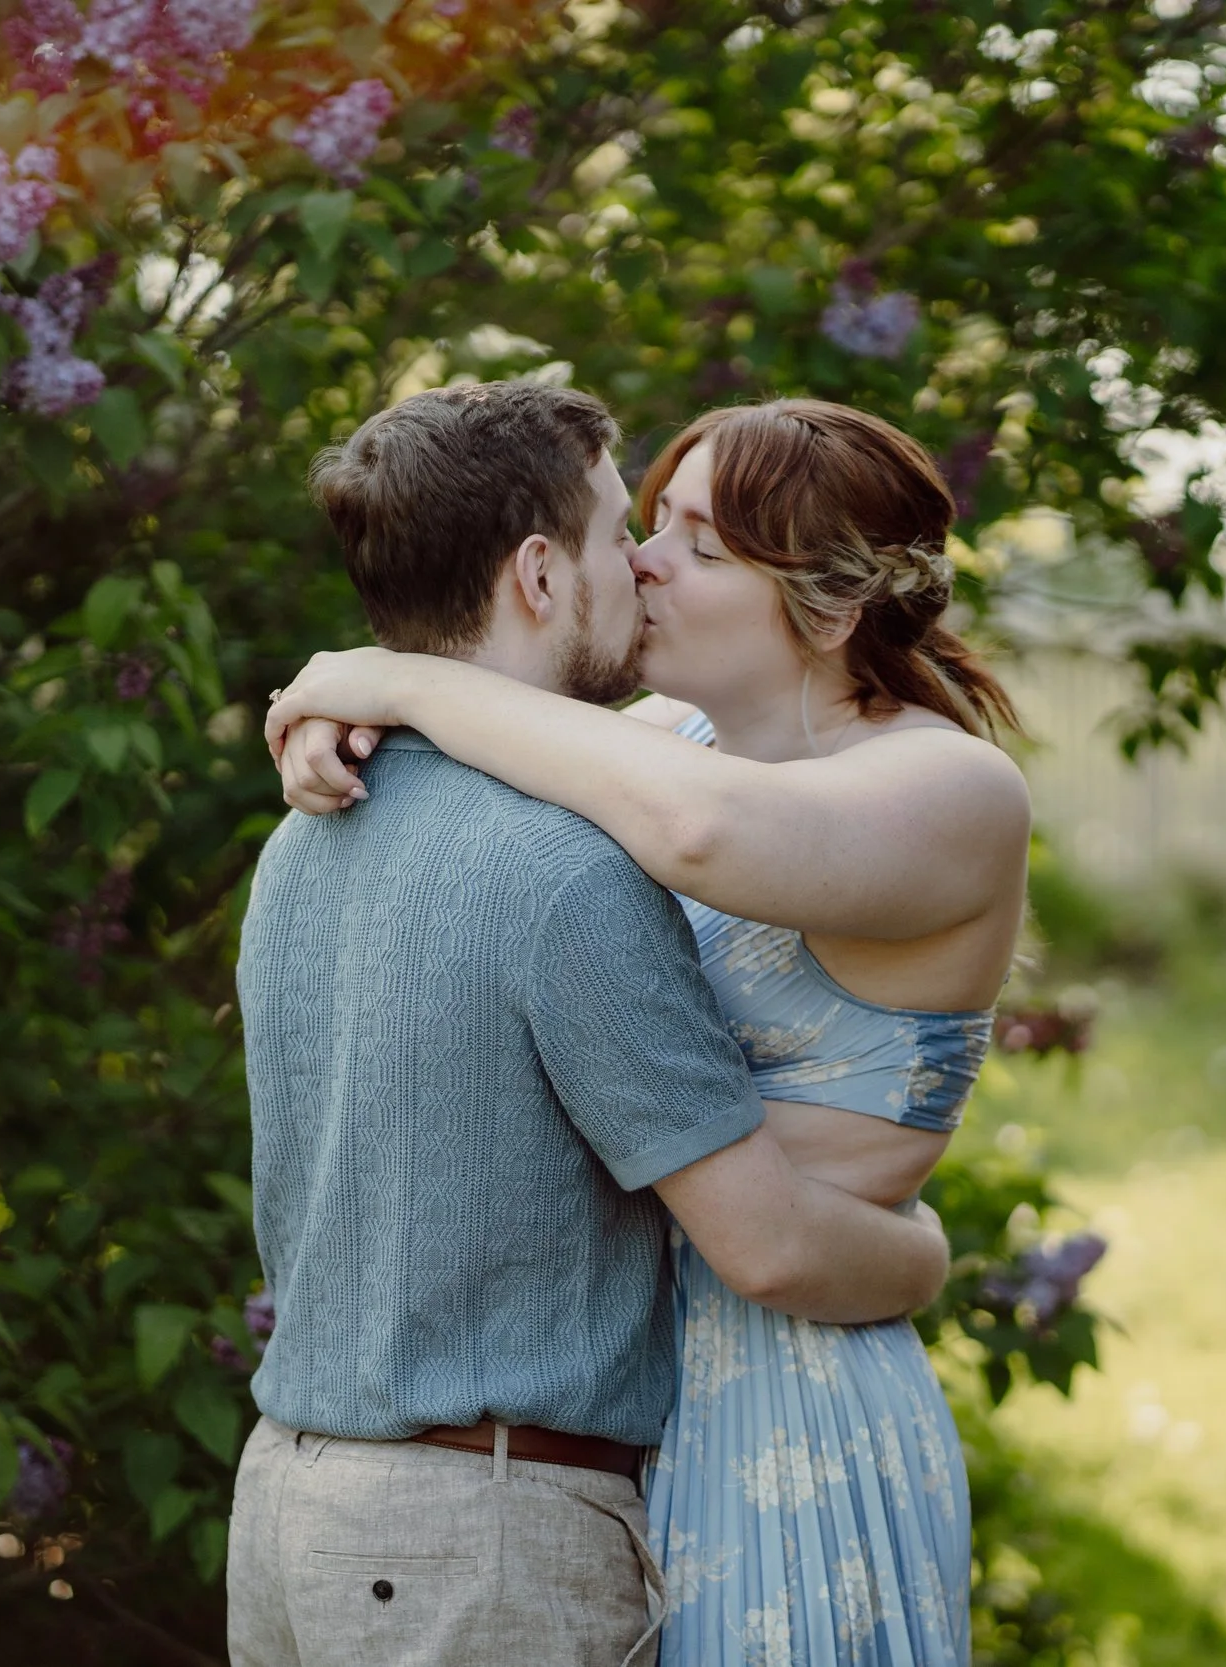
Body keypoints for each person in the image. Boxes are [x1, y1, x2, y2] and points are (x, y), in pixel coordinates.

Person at [266, 397, 1031, 1666]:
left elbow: (702, 834)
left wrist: (398, 677)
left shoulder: (947, 788)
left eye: (703, 544)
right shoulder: (658, 741)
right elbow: (493, 790)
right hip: (591, 1393)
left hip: (780, 1391)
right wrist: (340, 723)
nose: (641, 562)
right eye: (651, 521)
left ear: (834, 609)